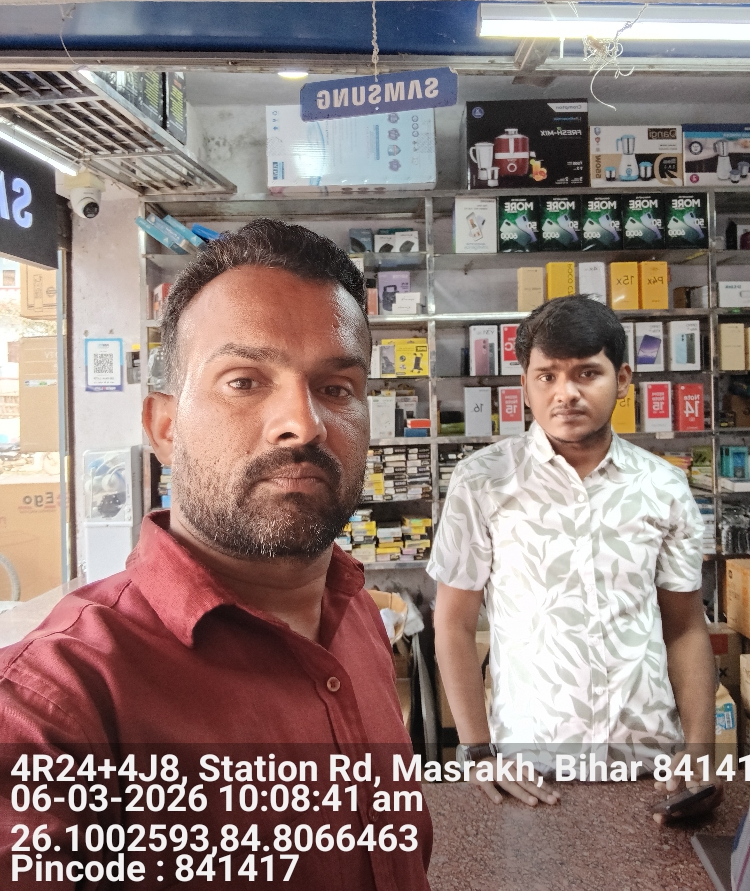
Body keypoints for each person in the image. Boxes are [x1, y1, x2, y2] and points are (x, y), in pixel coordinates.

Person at [0, 219, 431, 890]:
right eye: (244, 381)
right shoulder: (55, 701)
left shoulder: (358, 617)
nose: (303, 423)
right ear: (165, 428)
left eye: (337, 388)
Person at [430, 295, 720, 822]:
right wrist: (477, 751)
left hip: (651, 766)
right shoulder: (484, 482)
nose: (565, 393)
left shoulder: (663, 486)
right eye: (547, 376)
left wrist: (699, 748)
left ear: (623, 378)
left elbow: (684, 627)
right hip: (532, 768)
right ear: (525, 384)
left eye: (587, 373)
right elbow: (453, 624)